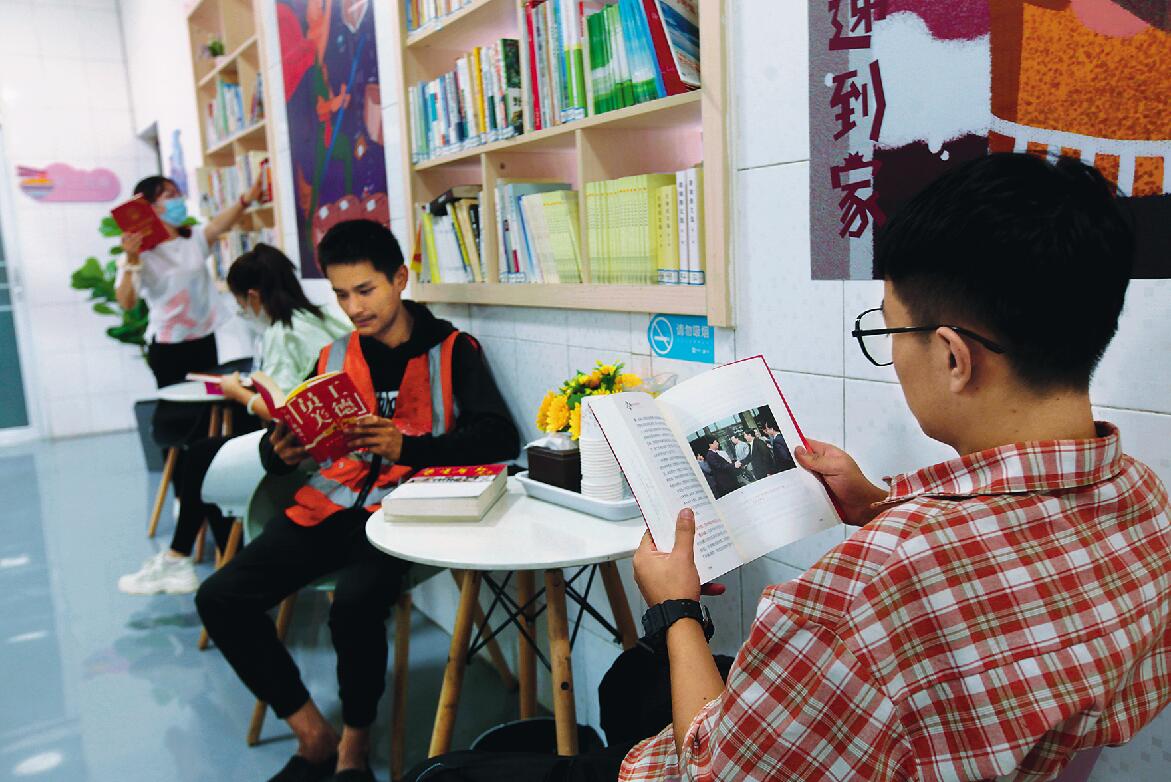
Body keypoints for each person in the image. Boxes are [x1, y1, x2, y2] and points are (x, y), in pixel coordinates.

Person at [622, 154, 1171, 781]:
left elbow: (715, 771)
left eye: (890, 330)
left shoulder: (871, 589)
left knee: (623, 693)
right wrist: (876, 506)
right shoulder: (1144, 499)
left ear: (954, 357)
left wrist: (676, 609)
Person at [196, 219, 520, 782]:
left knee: (353, 606)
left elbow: (500, 437)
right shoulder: (333, 354)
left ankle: (354, 745)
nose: (354, 308)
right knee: (219, 597)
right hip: (327, 505)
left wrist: (409, 447)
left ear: (400, 278)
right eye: (342, 294)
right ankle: (312, 736)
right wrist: (280, 451)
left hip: (405, 515)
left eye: (365, 290)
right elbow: (292, 434)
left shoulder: (453, 350)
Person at [117, 244, 352, 595]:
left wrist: (239, 393)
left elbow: (284, 411)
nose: (242, 311)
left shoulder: (283, 332)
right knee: (211, 455)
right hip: (337, 441)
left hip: (306, 454)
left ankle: (181, 559)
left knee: (200, 458)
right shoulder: (321, 319)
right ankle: (195, 558)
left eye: (241, 303)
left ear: (253, 297)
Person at [116, 174, 266, 388]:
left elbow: (219, 226)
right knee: (178, 405)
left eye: (179, 194)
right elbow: (126, 302)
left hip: (204, 339)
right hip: (168, 346)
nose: (179, 200)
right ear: (150, 207)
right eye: (170, 195)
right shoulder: (141, 254)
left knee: (208, 400)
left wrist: (246, 200)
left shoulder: (193, 238)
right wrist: (132, 258)